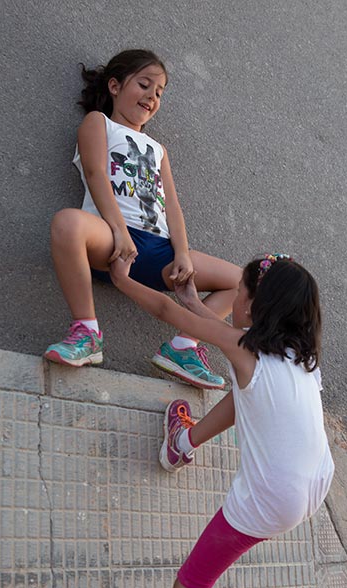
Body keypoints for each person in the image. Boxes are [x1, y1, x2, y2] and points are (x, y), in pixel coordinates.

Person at [105, 252, 335, 588]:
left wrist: (122, 281)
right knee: (242, 386)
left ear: (254, 310)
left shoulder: (245, 348)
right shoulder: (294, 355)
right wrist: (194, 300)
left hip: (271, 499)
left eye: (241, 294)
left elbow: (170, 318)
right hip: (311, 483)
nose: (236, 299)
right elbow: (226, 343)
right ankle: (182, 443)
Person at [44, 48, 241, 389]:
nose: (152, 96)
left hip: (158, 251)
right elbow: (95, 174)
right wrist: (119, 233)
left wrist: (182, 253)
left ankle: (184, 346)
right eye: (144, 85)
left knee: (241, 281)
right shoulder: (98, 123)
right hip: (108, 239)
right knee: (66, 222)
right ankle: (87, 332)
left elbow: (173, 207)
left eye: (159, 92)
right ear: (116, 86)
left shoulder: (158, 149)